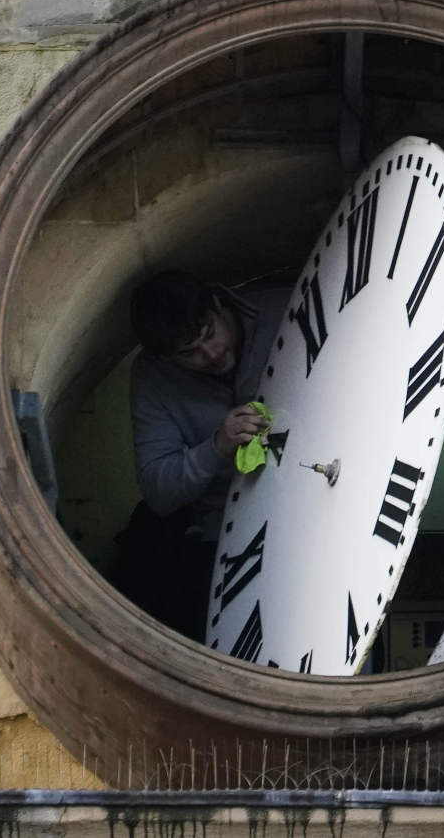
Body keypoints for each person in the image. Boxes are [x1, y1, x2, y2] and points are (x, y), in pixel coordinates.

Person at [113, 271, 286, 640]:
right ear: (164, 357)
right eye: (187, 353)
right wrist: (217, 446)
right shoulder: (153, 377)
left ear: (220, 303)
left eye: (209, 333)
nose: (209, 354)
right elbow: (159, 489)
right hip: (222, 535)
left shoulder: (284, 308)